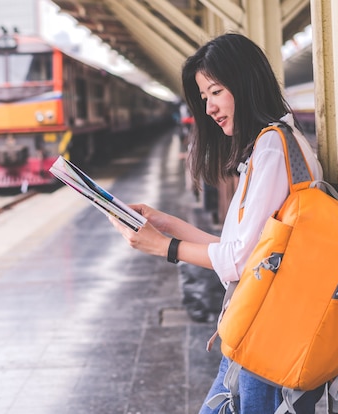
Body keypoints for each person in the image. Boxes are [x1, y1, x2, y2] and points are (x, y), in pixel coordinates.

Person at [108, 33, 325, 413]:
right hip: (262, 325)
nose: (208, 108)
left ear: (244, 83)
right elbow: (239, 249)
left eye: (216, 92)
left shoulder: (273, 147)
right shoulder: (271, 144)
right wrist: (166, 224)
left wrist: (164, 248)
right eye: (204, 97)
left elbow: (241, 262)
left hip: (266, 330)